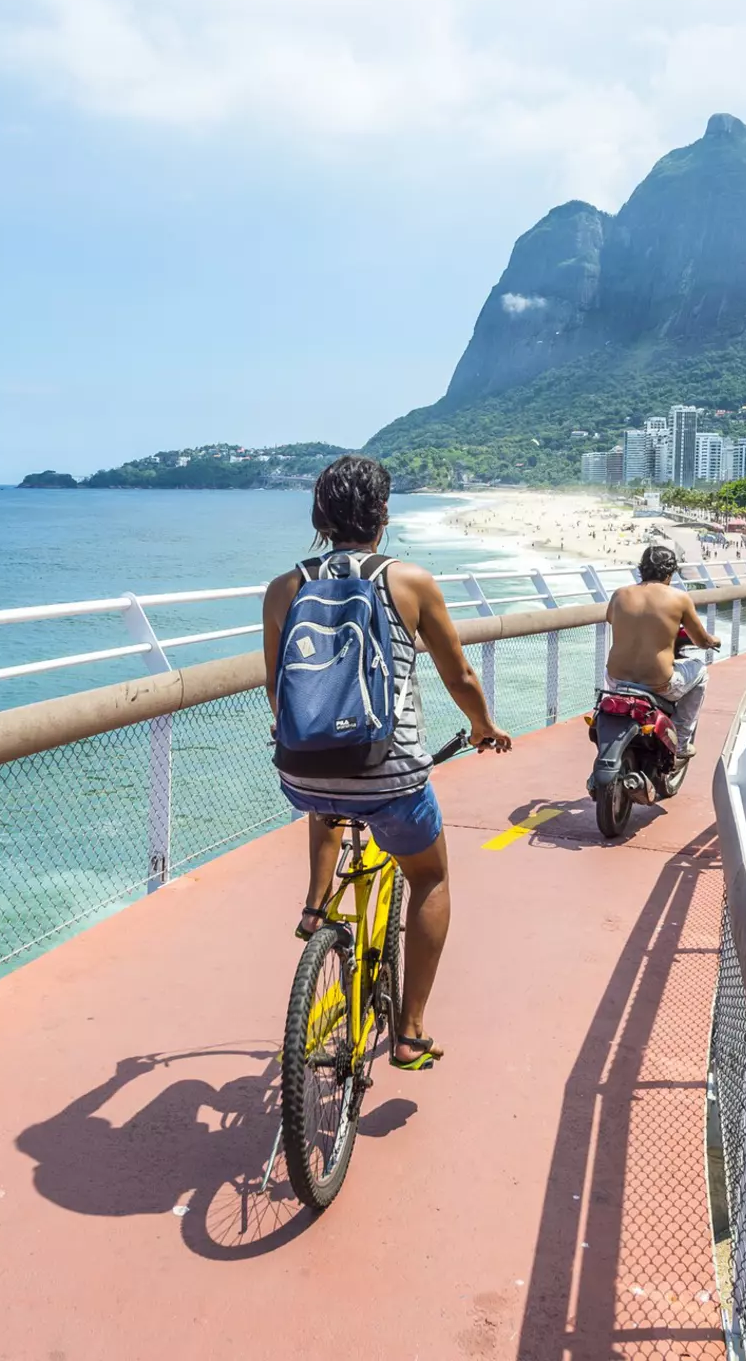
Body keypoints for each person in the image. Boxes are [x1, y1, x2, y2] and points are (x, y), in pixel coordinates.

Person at [262, 455, 512, 1072]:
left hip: (301, 769)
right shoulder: (411, 582)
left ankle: (317, 903)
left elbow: (279, 691)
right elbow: (459, 674)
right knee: (429, 877)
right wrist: (483, 727)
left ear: (319, 517)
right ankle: (410, 1031)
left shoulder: (284, 588)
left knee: (327, 792)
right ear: (383, 515)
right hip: (390, 773)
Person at [604, 545, 721, 731]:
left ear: (642, 569)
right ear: (671, 572)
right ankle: (681, 741)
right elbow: (701, 641)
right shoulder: (679, 598)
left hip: (616, 678)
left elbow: (611, 619)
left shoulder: (619, 594)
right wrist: (713, 641)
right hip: (659, 683)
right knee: (700, 671)